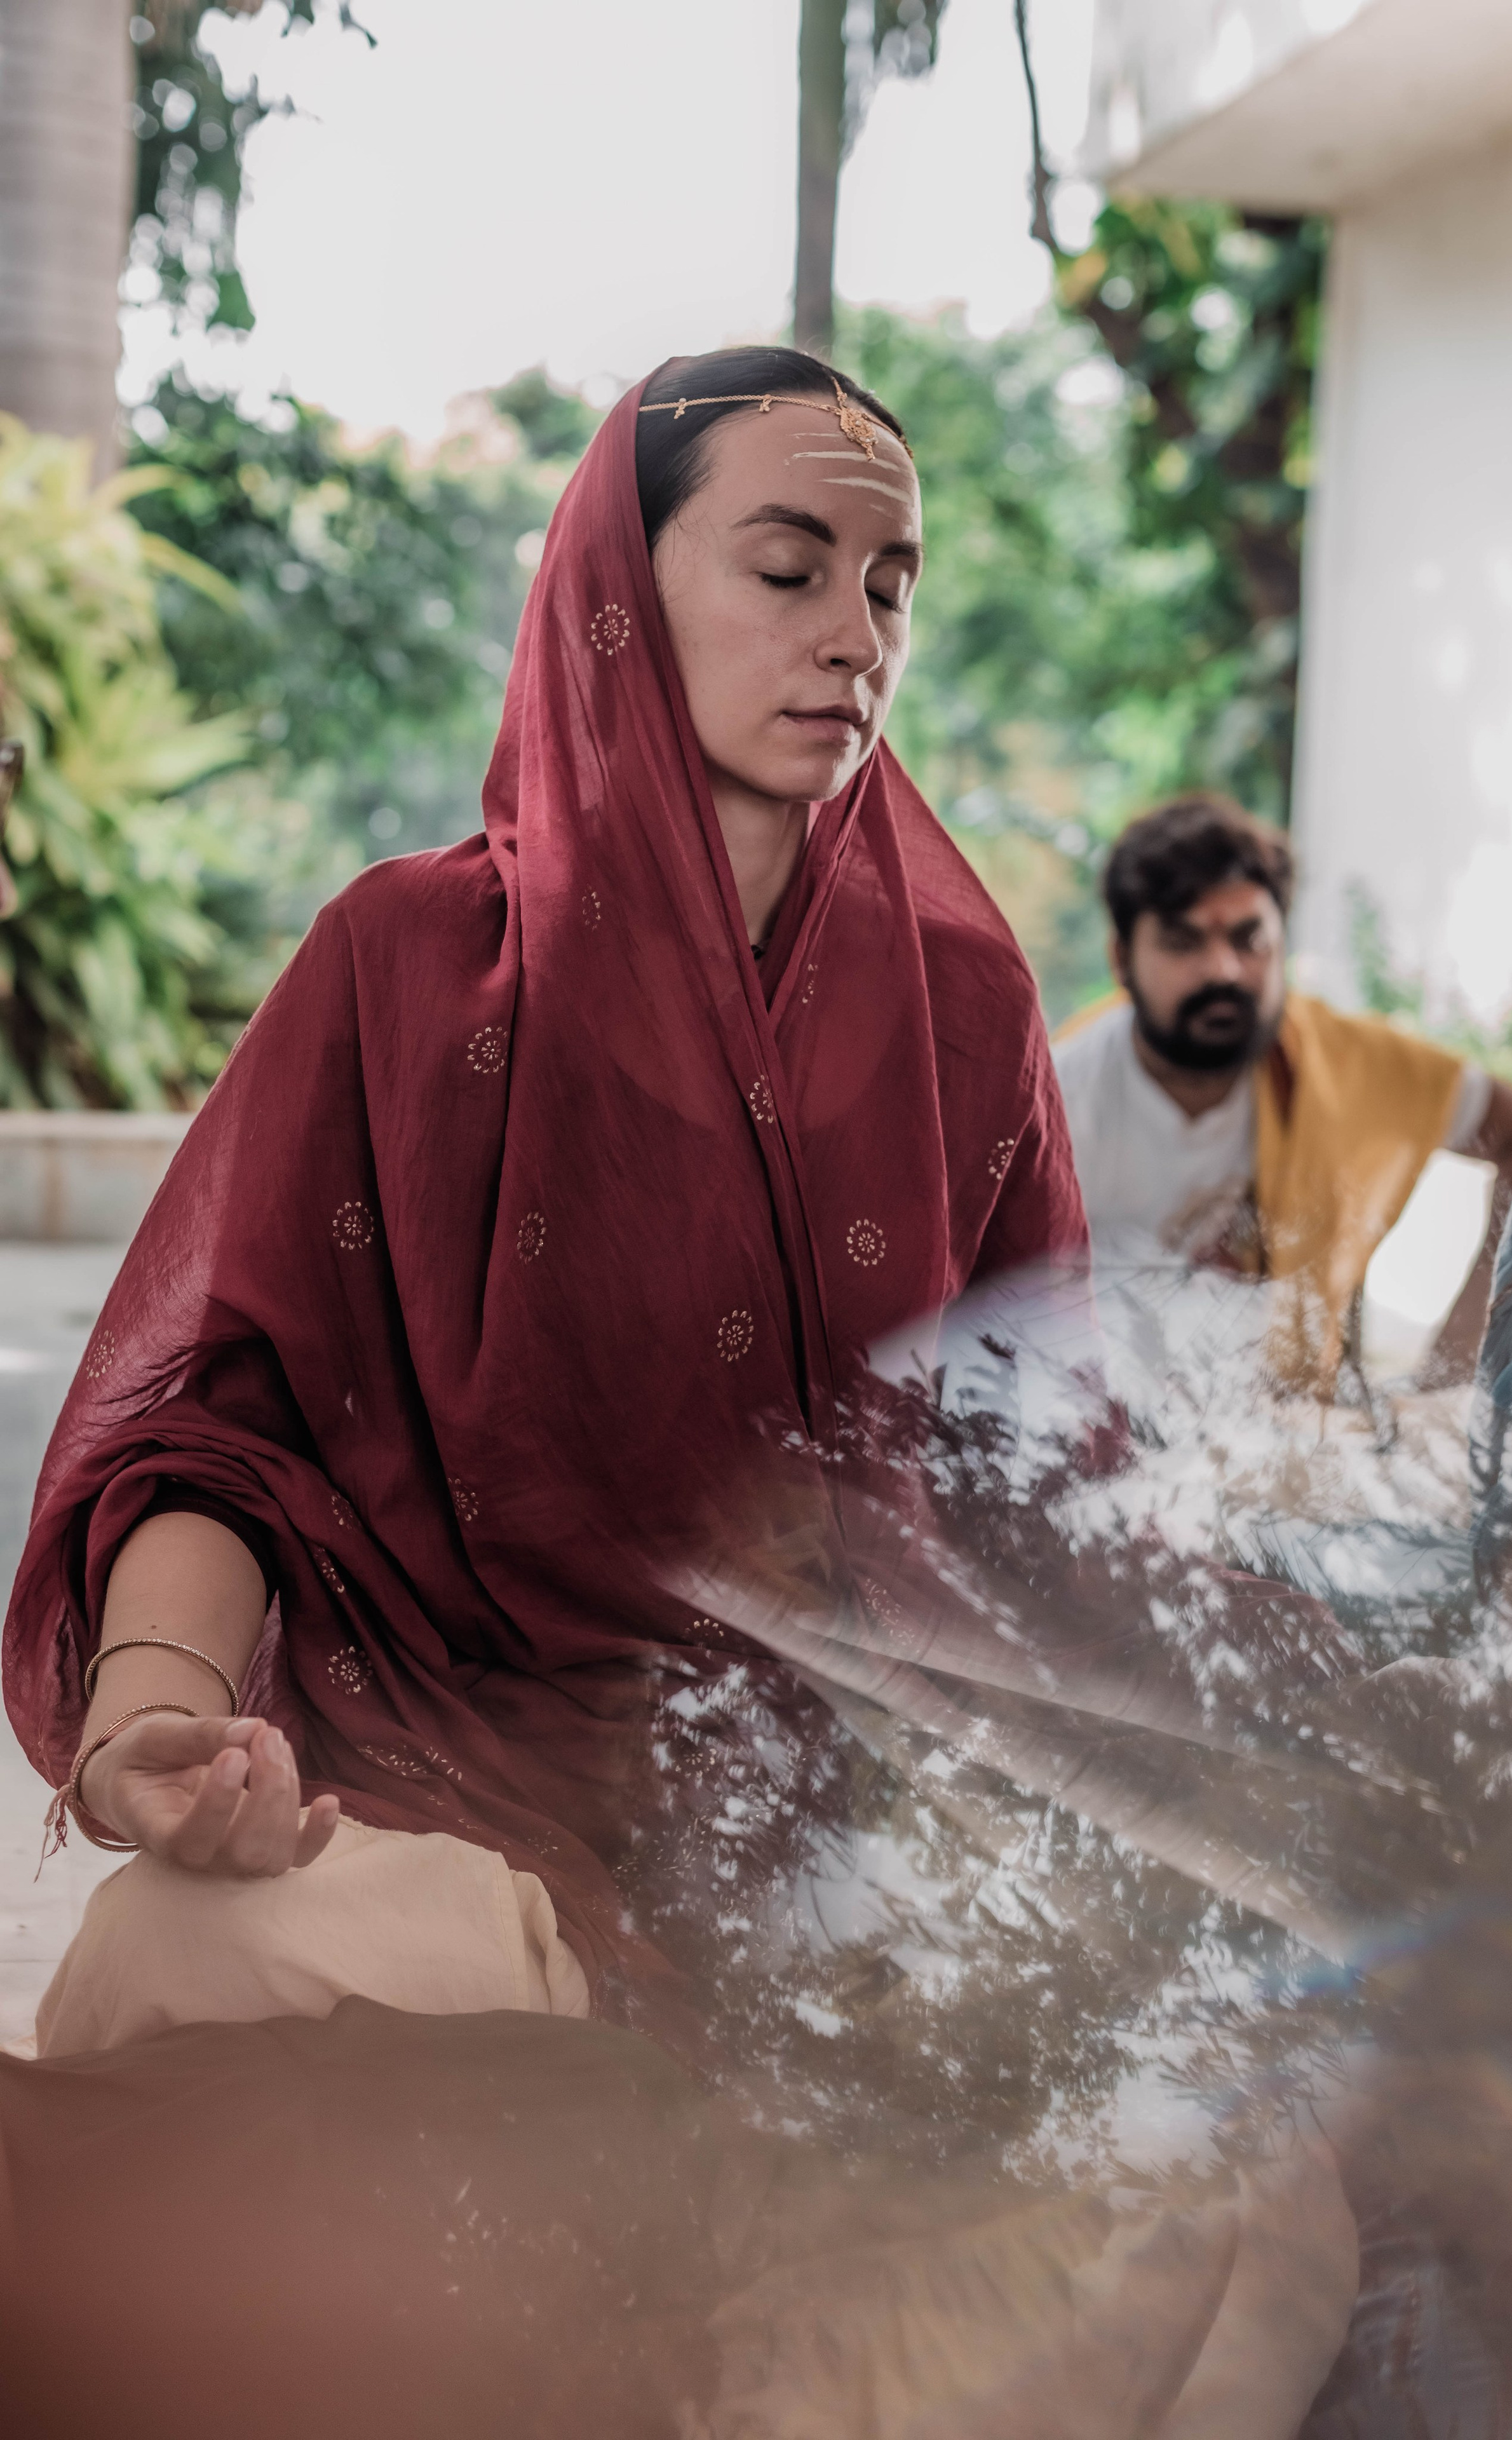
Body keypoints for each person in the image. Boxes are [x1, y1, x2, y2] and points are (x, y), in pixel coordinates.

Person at [0, 349, 1356, 2437]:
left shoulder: (966, 998)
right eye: (792, 565)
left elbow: (1034, 1490)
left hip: (823, 1834)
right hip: (443, 1815)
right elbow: (227, 1427)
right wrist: (157, 1724)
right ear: (614, 594)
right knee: (164, 1978)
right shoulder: (402, 969)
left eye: (892, 587)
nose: (854, 636)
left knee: (1264, 2199)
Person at [1052, 793, 1512, 1392]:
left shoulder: (1342, 1065)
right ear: (1121, 960)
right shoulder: (1057, 1100)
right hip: (1098, 1446)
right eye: (1184, 942)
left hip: (1284, 1445)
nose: (1224, 971)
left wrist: (1457, 1366)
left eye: (1249, 938)